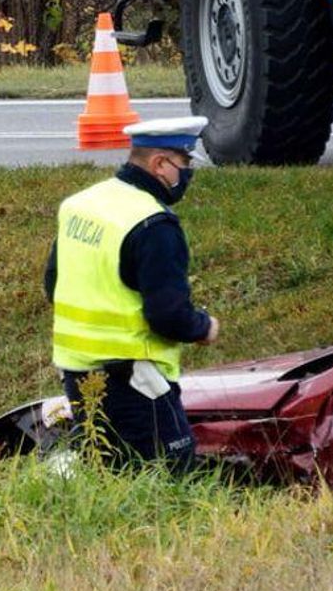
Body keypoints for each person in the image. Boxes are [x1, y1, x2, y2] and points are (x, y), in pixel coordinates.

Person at [45, 116, 219, 471]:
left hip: (78, 376)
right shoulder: (154, 224)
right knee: (170, 473)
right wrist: (203, 327)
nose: (187, 175)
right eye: (184, 165)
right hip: (136, 379)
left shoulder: (82, 204)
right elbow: (168, 315)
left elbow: (53, 284)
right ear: (159, 164)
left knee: (105, 475)